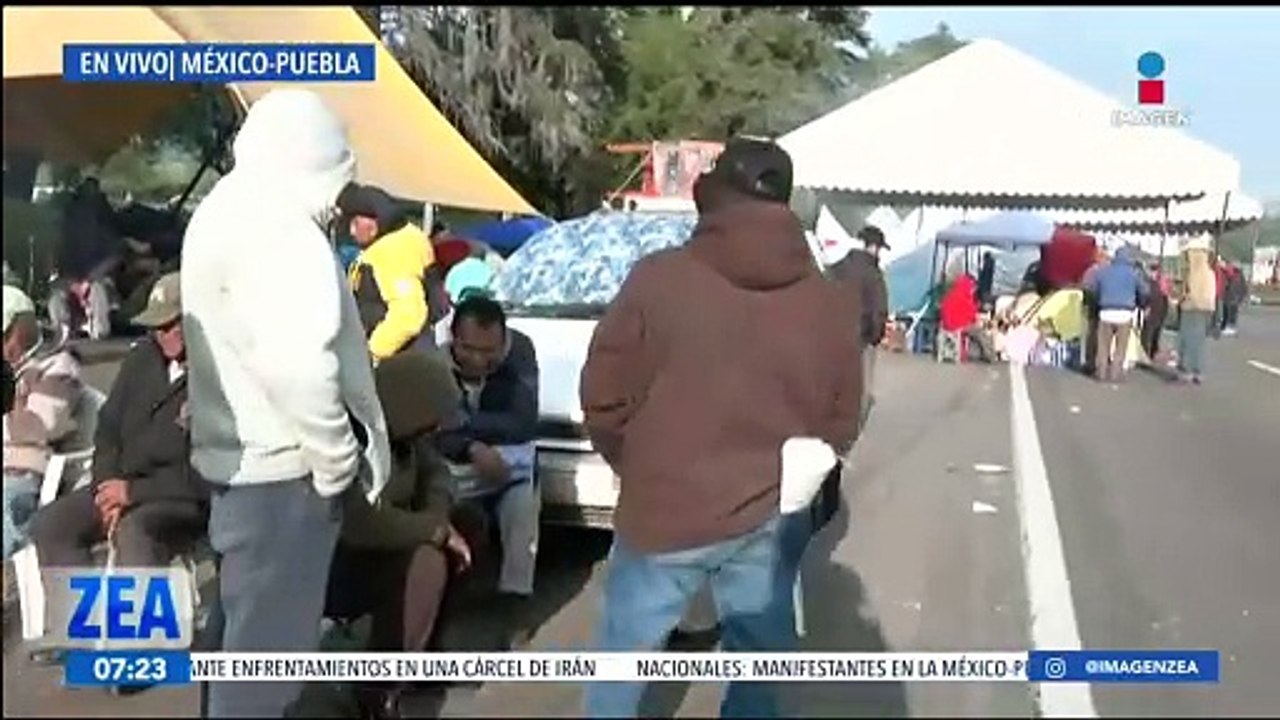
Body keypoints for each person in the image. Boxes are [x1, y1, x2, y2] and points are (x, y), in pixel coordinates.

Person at [579, 137, 862, 718]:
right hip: (766, 511)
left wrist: (635, 465)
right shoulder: (831, 303)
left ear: (716, 198)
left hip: (661, 506)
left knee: (622, 664)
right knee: (758, 669)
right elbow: (841, 421)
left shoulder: (658, 279)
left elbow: (603, 396)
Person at [180, 89, 392, 719]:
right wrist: (336, 464)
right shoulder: (278, 229)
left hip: (241, 471)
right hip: (285, 478)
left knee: (241, 647)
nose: (340, 196)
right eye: (338, 174)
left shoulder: (223, 210)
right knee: (267, 671)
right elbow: (298, 368)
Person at [31, 272, 208, 596]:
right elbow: (108, 429)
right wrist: (106, 489)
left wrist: (134, 493)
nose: (161, 334)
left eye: (170, 325)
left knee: (136, 530)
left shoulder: (214, 375)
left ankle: (139, 640)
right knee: (52, 524)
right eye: (155, 327)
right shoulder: (141, 358)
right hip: (120, 485)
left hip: (177, 497)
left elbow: (204, 470)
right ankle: (80, 631)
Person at [326, 351, 476, 720]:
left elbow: (438, 474)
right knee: (427, 560)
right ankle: (378, 688)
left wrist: (438, 519)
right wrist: (434, 530)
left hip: (392, 540)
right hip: (338, 562)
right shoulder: (353, 441)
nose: (437, 428)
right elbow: (360, 522)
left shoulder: (409, 436)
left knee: (471, 525)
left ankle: (423, 654)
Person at [433, 295, 540, 647]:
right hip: (451, 465)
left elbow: (523, 422)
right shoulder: (429, 356)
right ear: (452, 338)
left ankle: (514, 605)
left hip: (509, 464)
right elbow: (429, 428)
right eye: (469, 349)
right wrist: (470, 446)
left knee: (523, 507)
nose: (479, 360)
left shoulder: (521, 350)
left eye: (490, 351)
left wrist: (462, 423)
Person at [3, 285, 85, 561]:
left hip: (35, 475)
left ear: (24, 329)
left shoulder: (60, 367)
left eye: (4, 336)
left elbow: (40, 427)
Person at [339, 183, 448, 360]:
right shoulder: (406, 238)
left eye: (355, 222)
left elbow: (408, 317)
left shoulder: (392, 252)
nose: (351, 231)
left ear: (375, 221)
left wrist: (370, 354)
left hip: (398, 361)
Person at [826, 224, 888, 421]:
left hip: (834, 333)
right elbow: (878, 309)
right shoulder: (873, 274)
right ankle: (852, 430)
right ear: (874, 247)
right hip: (861, 337)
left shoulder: (837, 268)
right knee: (862, 389)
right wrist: (875, 336)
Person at [48, 177, 121, 341]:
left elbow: (115, 257)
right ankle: (62, 333)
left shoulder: (104, 231)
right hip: (71, 282)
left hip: (100, 281)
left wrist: (89, 280)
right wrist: (71, 283)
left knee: (98, 290)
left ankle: (100, 334)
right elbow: (57, 267)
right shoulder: (66, 236)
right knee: (56, 294)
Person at [1082, 245, 1149, 383]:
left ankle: (1101, 373)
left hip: (1105, 312)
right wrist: (1140, 303)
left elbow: (1092, 289)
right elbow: (1144, 291)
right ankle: (1115, 374)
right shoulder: (1134, 273)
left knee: (1103, 345)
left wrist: (1098, 301)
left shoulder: (1103, 271)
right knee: (1120, 347)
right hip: (1125, 314)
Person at [1175, 236, 1218, 384]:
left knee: (1187, 340)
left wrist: (1183, 299)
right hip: (1205, 309)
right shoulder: (1209, 273)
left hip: (1192, 308)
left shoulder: (1195, 273)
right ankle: (1197, 370)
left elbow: (1190, 293)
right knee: (1199, 341)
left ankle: (1186, 370)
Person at [1140, 262, 1172, 362]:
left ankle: (1146, 353)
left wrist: (1145, 306)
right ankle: (1153, 352)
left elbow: (1149, 294)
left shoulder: (1152, 281)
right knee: (1156, 330)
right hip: (1162, 304)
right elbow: (1167, 292)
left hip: (1154, 305)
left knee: (1148, 331)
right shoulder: (1163, 279)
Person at [1222, 263, 1247, 336]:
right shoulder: (1235, 276)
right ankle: (1229, 327)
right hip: (1230, 297)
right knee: (1229, 312)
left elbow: (1242, 289)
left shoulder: (1236, 276)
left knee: (1232, 312)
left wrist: (1240, 298)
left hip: (1233, 298)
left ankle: (1231, 328)